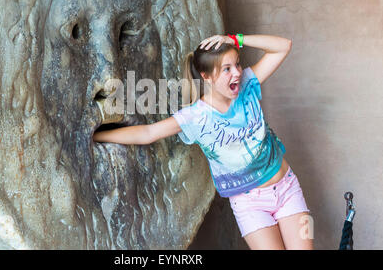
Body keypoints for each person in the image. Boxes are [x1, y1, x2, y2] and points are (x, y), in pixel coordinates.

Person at [93, 33, 313, 250]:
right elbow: (148, 133)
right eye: (227, 69)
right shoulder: (196, 117)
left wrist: (237, 40)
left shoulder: (247, 84)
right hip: (249, 205)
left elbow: (284, 46)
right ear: (206, 76)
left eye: (237, 64)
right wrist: (96, 135)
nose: (237, 72)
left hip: (287, 189)